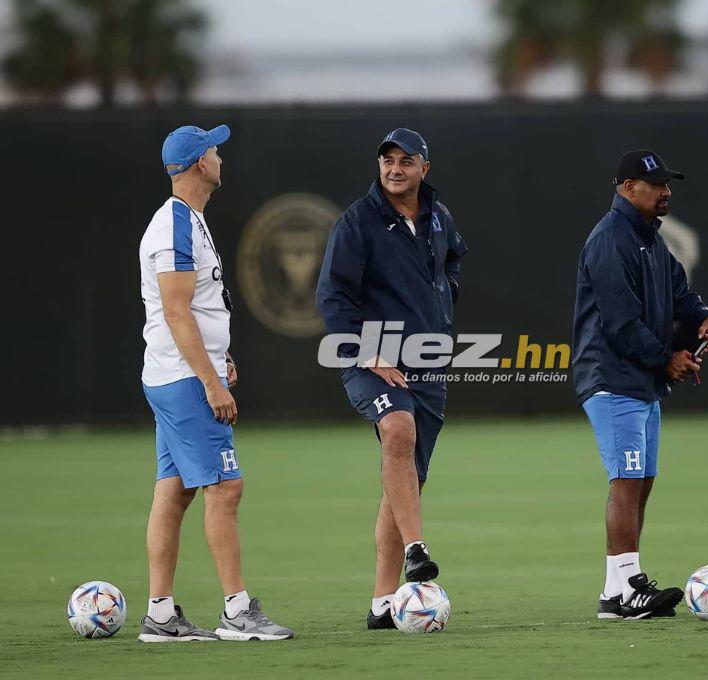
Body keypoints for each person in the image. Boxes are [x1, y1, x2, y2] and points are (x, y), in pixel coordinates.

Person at [137, 124, 293, 642]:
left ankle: (160, 615)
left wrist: (219, 359)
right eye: (215, 150)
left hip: (176, 373)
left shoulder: (189, 220)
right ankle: (237, 610)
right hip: (183, 379)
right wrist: (211, 382)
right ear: (200, 164)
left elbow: (196, 309)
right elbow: (177, 312)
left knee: (175, 489)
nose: (221, 157)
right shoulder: (174, 226)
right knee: (226, 487)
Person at [316, 128, 468, 630]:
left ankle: (382, 604)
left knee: (404, 483)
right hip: (371, 360)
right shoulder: (358, 223)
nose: (395, 168)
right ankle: (417, 551)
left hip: (426, 362)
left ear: (426, 167)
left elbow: (454, 262)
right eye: (387, 160)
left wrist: (442, 309)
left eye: (406, 160)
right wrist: (366, 350)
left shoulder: (438, 218)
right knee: (397, 430)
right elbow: (332, 297)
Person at [572, 149, 708, 620]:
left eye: (666, 183)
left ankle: (615, 591)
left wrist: (704, 318)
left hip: (640, 380)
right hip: (612, 376)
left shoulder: (650, 241)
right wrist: (667, 359)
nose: (666, 191)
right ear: (626, 187)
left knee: (642, 481)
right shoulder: (611, 239)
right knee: (626, 479)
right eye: (655, 183)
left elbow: (682, 295)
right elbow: (620, 323)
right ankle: (631, 586)